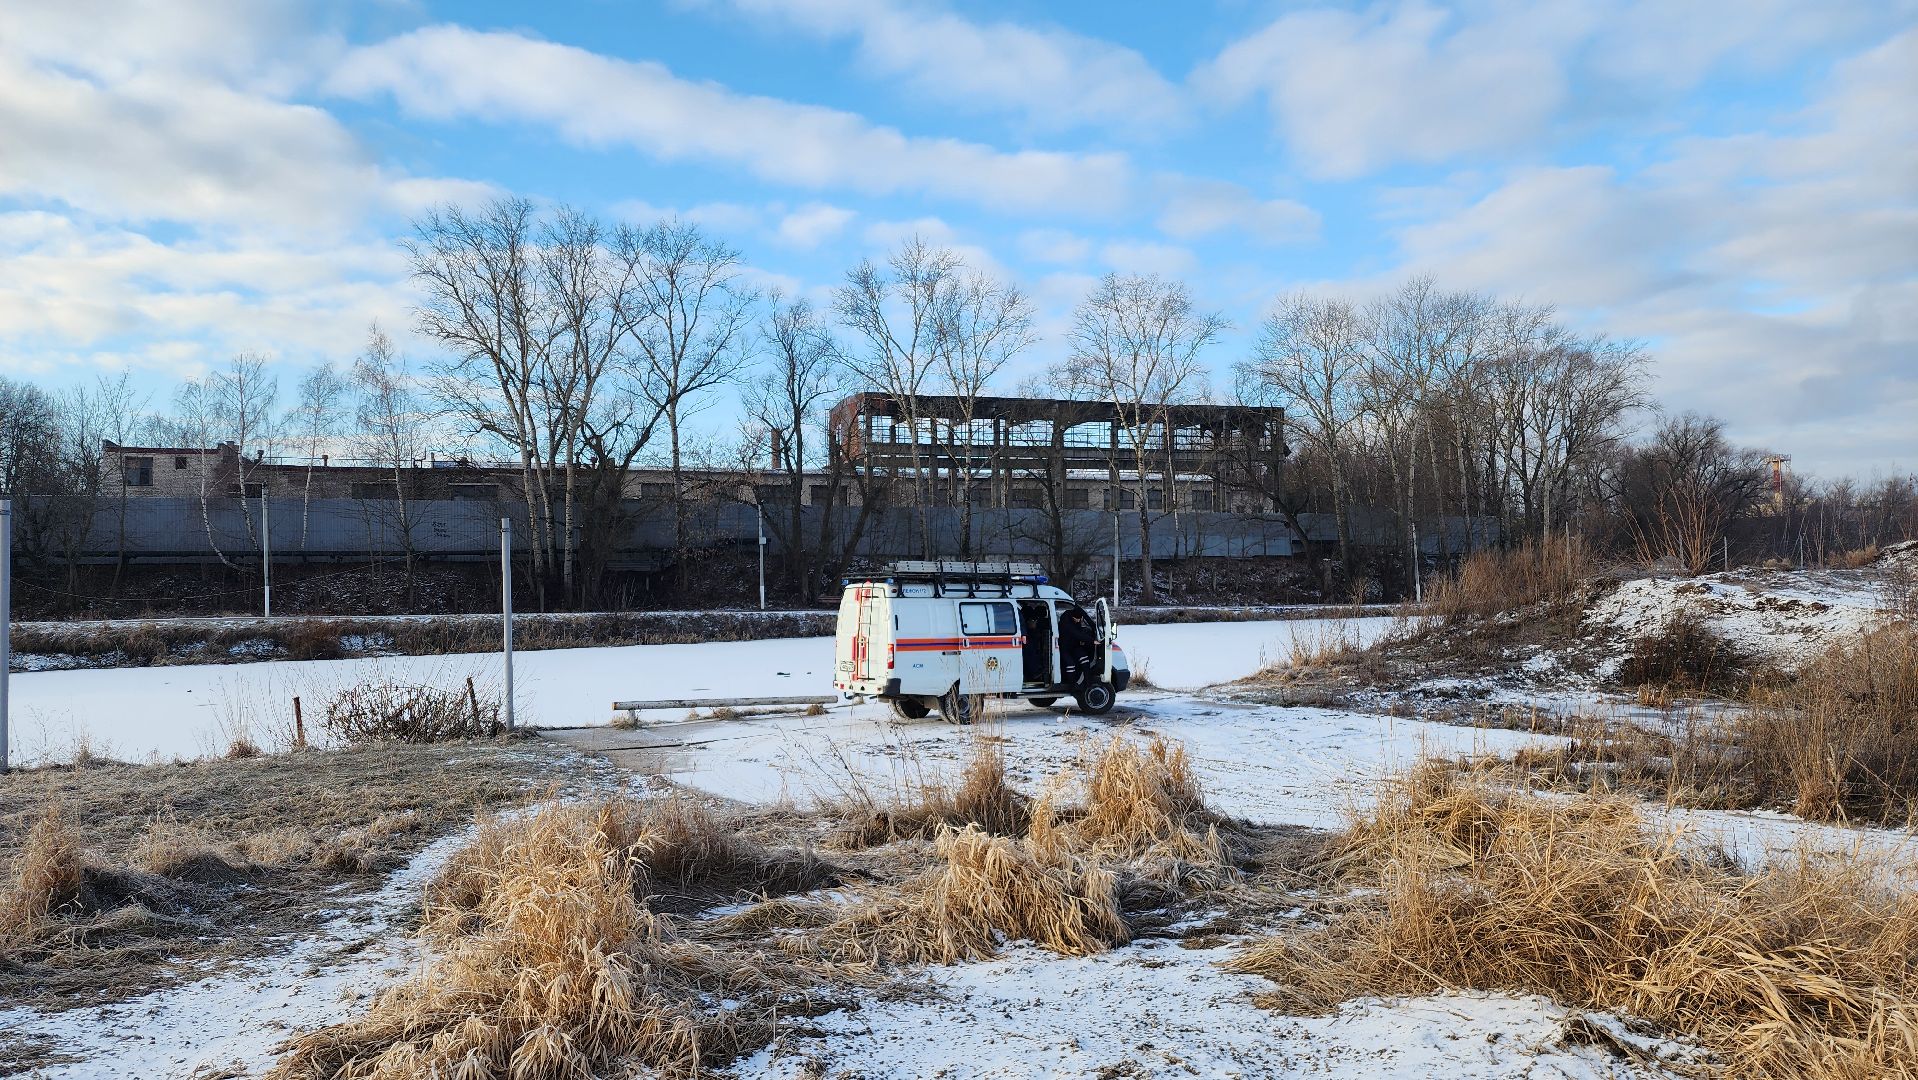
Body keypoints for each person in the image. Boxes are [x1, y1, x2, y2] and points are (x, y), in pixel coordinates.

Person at [1058, 606, 1098, 689]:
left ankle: (1088, 684)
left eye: (1080, 619)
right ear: (1072, 617)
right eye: (1077, 619)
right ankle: (1072, 687)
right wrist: (1092, 641)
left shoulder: (1077, 612)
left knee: (1085, 660)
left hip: (1075, 645)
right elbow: (1076, 633)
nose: (1079, 621)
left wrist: (1095, 629)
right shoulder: (1066, 622)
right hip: (1065, 647)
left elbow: (1087, 618)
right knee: (1070, 665)